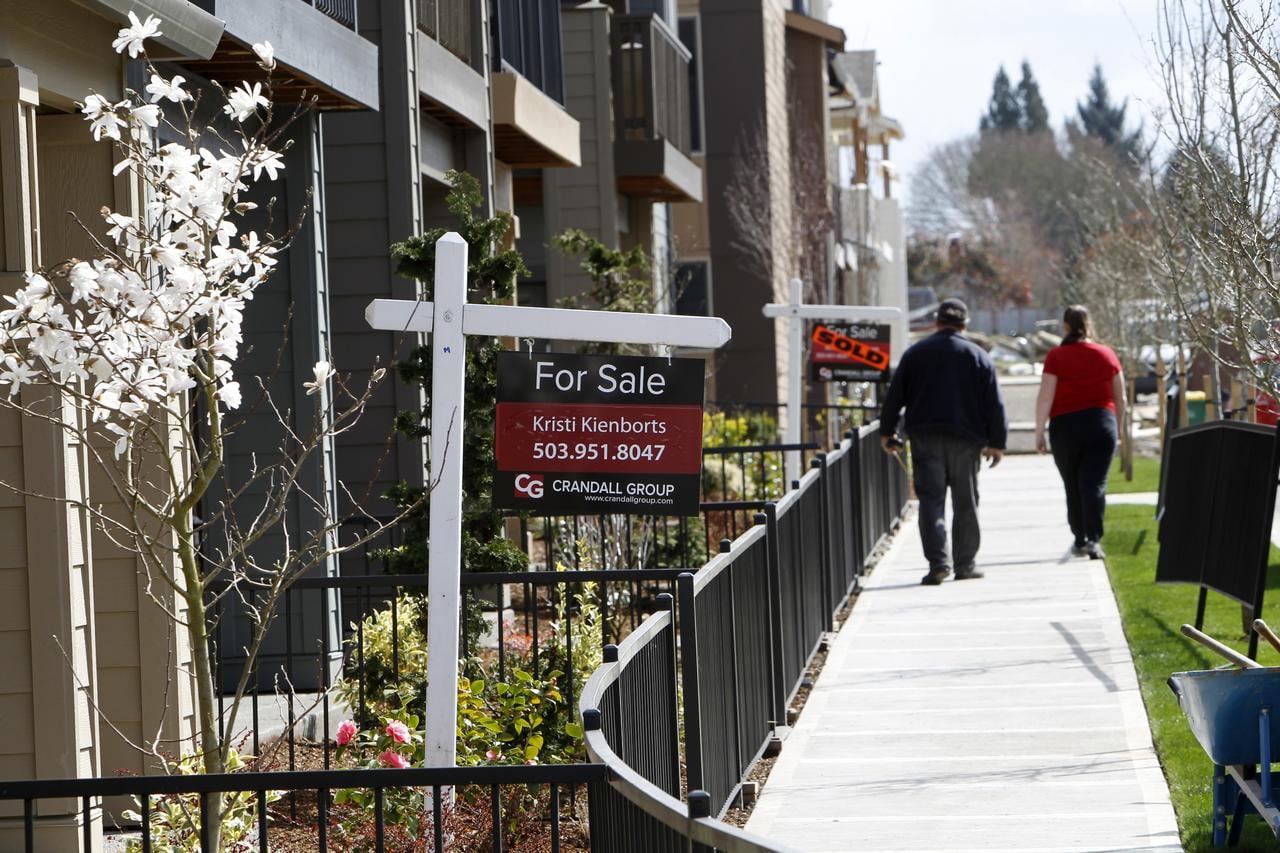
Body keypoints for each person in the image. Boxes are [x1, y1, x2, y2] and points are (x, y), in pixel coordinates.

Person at [880, 298, 1008, 585]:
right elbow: (994, 404)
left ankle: (938, 563)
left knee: (931, 501)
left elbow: (895, 396)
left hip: (926, 437)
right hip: (966, 439)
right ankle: (965, 564)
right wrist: (997, 442)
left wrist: (887, 432)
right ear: (964, 325)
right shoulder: (978, 356)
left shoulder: (915, 354)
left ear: (937, 322)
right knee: (966, 502)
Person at [1034, 305, 1125, 560]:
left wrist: (1039, 431)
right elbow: (1121, 397)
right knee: (1094, 484)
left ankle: (1079, 537)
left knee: (1072, 484)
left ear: (1065, 326)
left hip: (1065, 427)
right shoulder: (1107, 354)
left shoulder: (1056, 357)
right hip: (1100, 423)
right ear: (1089, 324)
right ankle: (1094, 539)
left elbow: (1045, 396)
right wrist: (1118, 427)